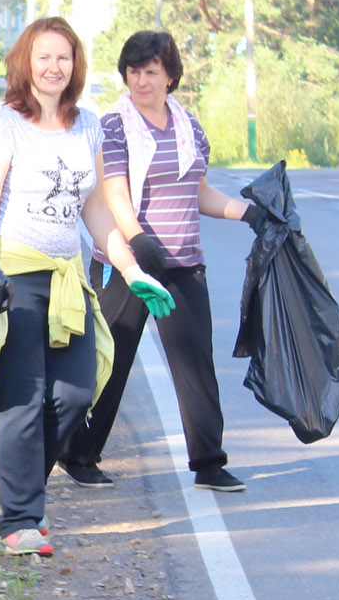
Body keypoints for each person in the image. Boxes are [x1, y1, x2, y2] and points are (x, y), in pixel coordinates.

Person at [0, 18, 172, 557]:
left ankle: (19, 474)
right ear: (25, 62)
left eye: (64, 58)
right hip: (12, 274)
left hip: (68, 276)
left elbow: (96, 208)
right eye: (44, 57)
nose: (54, 67)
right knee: (23, 397)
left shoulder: (89, 126)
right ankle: (20, 519)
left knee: (78, 389)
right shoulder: (2, 126)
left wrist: (131, 270)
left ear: (75, 65)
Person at [61, 30, 261, 493]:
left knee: (195, 363)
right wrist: (137, 241)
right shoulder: (114, 125)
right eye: (133, 71)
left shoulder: (190, 126)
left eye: (151, 71)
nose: (141, 81)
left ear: (170, 76)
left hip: (184, 263)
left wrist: (246, 213)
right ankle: (80, 454)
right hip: (126, 261)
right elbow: (113, 192)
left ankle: (209, 462)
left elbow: (200, 192)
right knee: (109, 360)